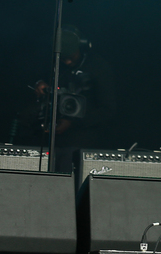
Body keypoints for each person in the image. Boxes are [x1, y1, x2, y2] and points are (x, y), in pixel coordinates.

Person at [33, 25, 118, 172]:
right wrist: (40, 84)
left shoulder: (98, 67)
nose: (67, 62)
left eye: (71, 58)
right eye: (63, 58)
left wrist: (73, 122)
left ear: (81, 47)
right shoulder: (54, 64)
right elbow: (38, 79)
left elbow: (108, 110)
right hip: (49, 142)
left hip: (81, 144)